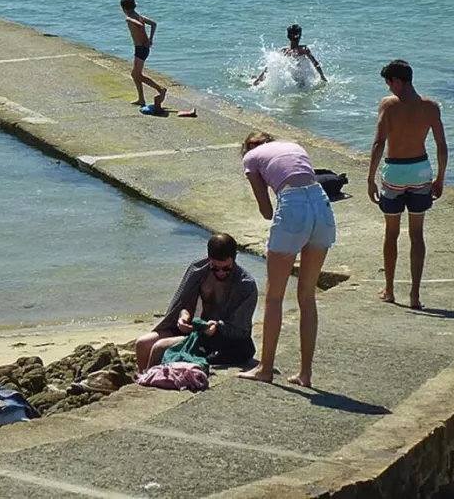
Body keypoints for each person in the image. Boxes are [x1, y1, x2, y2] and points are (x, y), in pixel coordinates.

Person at [236, 131, 336, 386]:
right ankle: (305, 373)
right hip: (321, 203)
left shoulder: (250, 159)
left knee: (274, 296)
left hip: (293, 206)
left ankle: (265, 368)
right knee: (307, 296)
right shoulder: (293, 145)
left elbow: (267, 211)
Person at [366, 59, 448, 311]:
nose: (388, 88)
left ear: (398, 81)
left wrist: (370, 177)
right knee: (416, 234)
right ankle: (414, 295)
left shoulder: (388, 105)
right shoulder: (431, 107)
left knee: (392, 233)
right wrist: (440, 178)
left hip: (395, 172)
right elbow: (441, 146)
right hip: (421, 171)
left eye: (389, 82)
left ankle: (389, 290)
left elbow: (379, 143)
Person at [135, 232, 258, 372]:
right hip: (198, 330)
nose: (221, 273)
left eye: (226, 268)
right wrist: (184, 316)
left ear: (234, 259)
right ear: (208, 258)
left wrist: (217, 327)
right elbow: (185, 303)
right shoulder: (198, 270)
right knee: (142, 344)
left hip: (223, 339)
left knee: (159, 348)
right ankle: (143, 376)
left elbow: (240, 328)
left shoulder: (245, 284)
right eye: (215, 268)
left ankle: (151, 381)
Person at [120, 0, 168, 110]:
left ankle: (160, 89)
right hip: (143, 48)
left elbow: (140, 25)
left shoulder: (130, 18)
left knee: (138, 75)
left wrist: (129, 20)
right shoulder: (139, 16)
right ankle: (141, 99)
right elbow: (153, 24)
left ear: (124, 8)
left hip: (141, 48)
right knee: (134, 74)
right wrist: (150, 39)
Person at [252, 23, 327, 85]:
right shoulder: (303, 49)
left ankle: (258, 79)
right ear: (300, 36)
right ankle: (258, 79)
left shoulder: (284, 51)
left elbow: (270, 67)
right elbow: (315, 62)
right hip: (303, 80)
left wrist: (259, 78)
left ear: (288, 36)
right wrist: (322, 76)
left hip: (291, 80)